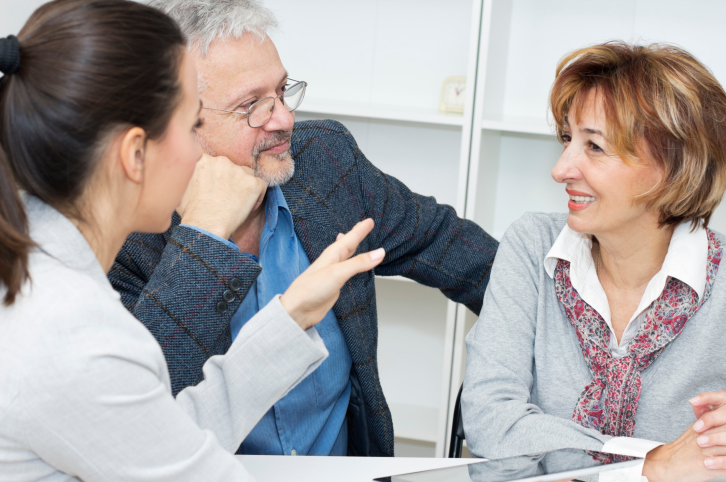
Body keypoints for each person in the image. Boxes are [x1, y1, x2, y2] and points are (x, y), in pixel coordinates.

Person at [0, 0, 385, 479]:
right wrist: (203, 231)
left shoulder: (46, 269)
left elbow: (156, 436)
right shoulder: (77, 336)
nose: (200, 156)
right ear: (135, 154)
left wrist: (290, 319)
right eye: (189, 127)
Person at [108, 0, 499, 457]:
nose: (284, 119)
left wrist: (563, 316)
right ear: (172, 122)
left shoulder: (324, 164)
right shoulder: (128, 235)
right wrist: (204, 234)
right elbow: (136, 411)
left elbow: (451, 247)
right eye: (251, 105)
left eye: (282, 90)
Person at [462, 41, 726, 482]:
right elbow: (492, 425)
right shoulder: (533, 244)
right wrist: (654, 467)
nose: (562, 168)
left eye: (595, 147)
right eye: (567, 139)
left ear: (675, 166)